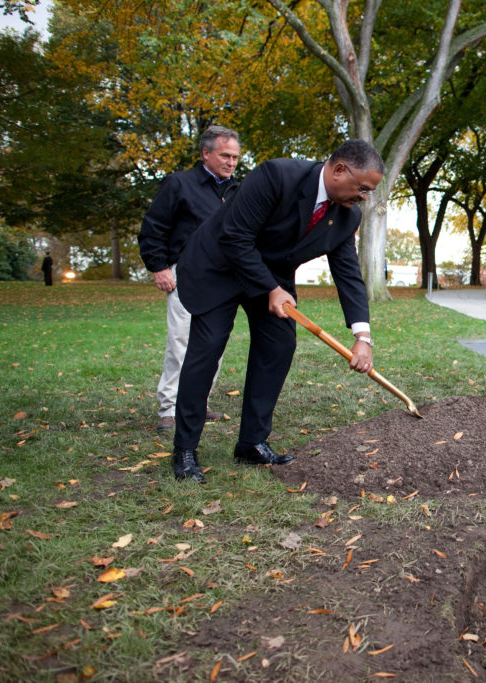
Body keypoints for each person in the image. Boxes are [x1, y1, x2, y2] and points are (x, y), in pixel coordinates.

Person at [170, 139, 384, 484]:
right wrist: (271, 289)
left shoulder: (346, 217)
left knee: (280, 344)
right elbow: (235, 235)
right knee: (207, 349)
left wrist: (363, 336)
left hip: (271, 278)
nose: (364, 197)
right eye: (362, 188)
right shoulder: (277, 175)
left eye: (369, 192)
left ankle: (251, 442)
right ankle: (185, 448)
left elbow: (348, 274)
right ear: (340, 169)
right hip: (220, 266)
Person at [138, 125, 241, 432]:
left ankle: (198, 402)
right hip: (185, 275)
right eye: (225, 155)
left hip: (225, 280)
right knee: (181, 343)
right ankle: (169, 408)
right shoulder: (179, 184)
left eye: (235, 157)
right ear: (205, 153)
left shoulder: (237, 191)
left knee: (214, 345)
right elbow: (153, 227)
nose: (231, 162)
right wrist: (159, 267)